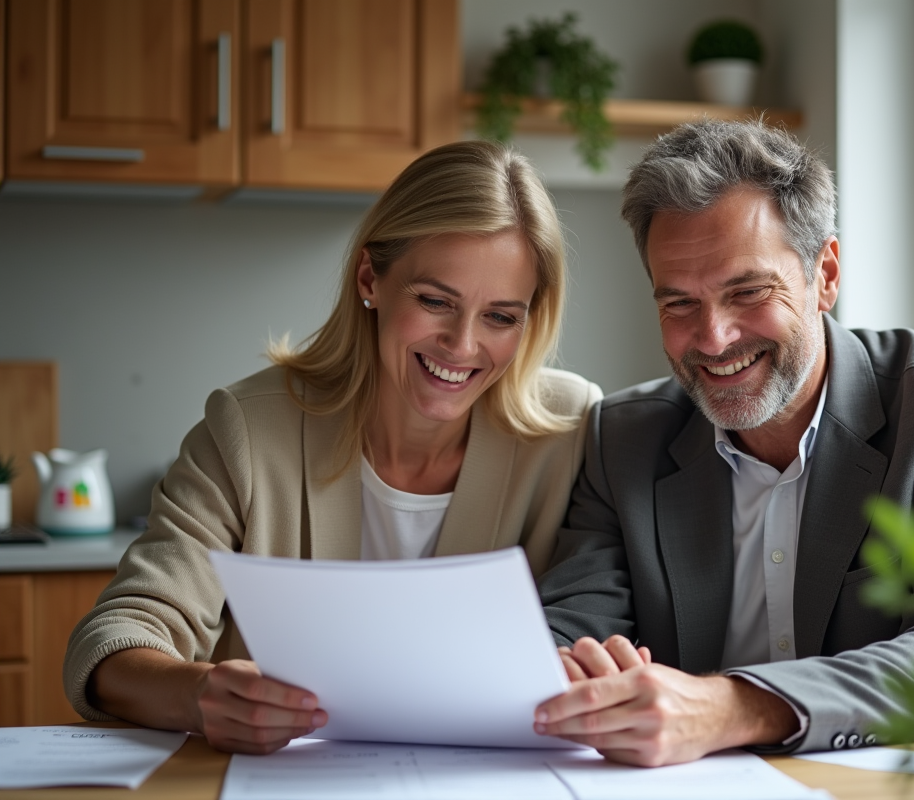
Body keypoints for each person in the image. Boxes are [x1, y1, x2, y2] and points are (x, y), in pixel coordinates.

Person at [65, 140, 602, 755]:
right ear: (370, 278)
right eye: (435, 301)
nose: (461, 344)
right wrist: (198, 694)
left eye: (501, 317)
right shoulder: (248, 429)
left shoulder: (572, 429)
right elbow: (112, 640)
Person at [533, 119, 914, 766]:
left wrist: (736, 707)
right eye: (679, 303)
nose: (712, 338)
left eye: (747, 291)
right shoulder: (623, 438)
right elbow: (569, 630)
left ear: (824, 274)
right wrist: (567, 670)